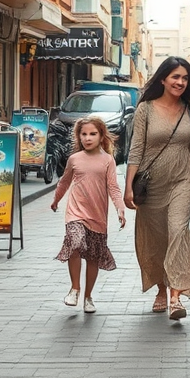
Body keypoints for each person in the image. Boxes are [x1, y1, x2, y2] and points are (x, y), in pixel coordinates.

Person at [124, 56, 190, 320]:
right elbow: (136, 149)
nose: (181, 82)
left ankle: (175, 297)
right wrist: (128, 188)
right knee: (157, 238)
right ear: (163, 79)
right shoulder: (145, 109)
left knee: (177, 230)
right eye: (175, 77)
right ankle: (161, 288)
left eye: (185, 78)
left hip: (183, 179)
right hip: (151, 183)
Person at [50, 117, 126, 315]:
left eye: (93, 134)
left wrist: (120, 208)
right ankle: (75, 289)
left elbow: (114, 188)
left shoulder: (108, 160)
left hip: (97, 216)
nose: (88, 138)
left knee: (93, 257)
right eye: (84, 134)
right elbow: (64, 182)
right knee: (74, 243)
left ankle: (88, 296)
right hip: (75, 212)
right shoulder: (74, 159)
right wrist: (56, 200)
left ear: (101, 136)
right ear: (78, 136)